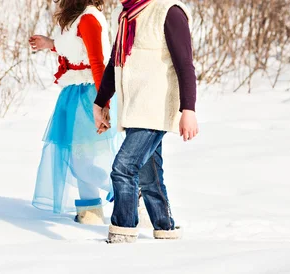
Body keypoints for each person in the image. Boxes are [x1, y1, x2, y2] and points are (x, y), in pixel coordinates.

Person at [93, 0, 199, 243]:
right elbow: (115, 63)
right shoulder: (127, 14)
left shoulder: (169, 11)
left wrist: (188, 109)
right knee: (149, 174)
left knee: (123, 168)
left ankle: (123, 231)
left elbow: (185, 64)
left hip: (155, 108)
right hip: (133, 108)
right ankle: (165, 228)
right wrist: (100, 102)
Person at [29, 0, 122, 225]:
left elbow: (98, 63)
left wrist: (103, 104)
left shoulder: (89, 18)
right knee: (78, 156)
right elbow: (74, 48)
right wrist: (49, 43)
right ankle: (90, 210)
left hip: (91, 93)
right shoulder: (76, 16)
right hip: (74, 93)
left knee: (80, 160)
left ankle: (127, 191)